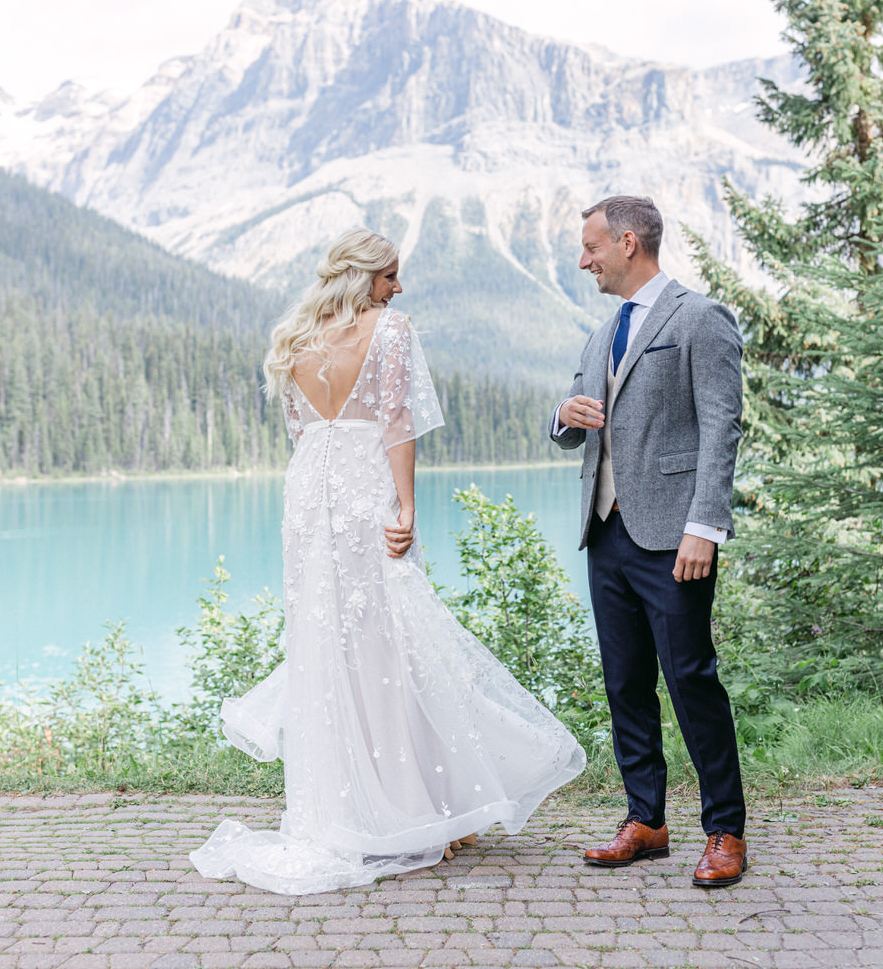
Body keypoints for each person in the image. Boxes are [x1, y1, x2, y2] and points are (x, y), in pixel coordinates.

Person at [190, 227, 586, 895]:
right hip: (365, 485)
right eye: (389, 276)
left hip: (310, 493)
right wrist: (405, 504)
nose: (397, 288)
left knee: (327, 645)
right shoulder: (392, 331)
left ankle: (344, 809)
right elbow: (396, 423)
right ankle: (417, 812)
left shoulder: (293, 338)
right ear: (364, 277)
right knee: (388, 645)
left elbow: (300, 431)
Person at [549, 196, 747, 887]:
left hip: (673, 538)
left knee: (692, 679)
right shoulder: (605, 330)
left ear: (628, 242)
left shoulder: (699, 318)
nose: (583, 260)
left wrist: (705, 527)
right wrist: (562, 416)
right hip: (605, 534)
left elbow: (722, 428)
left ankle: (725, 830)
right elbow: (578, 410)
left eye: (591, 247)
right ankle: (647, 820)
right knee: (626, 682)